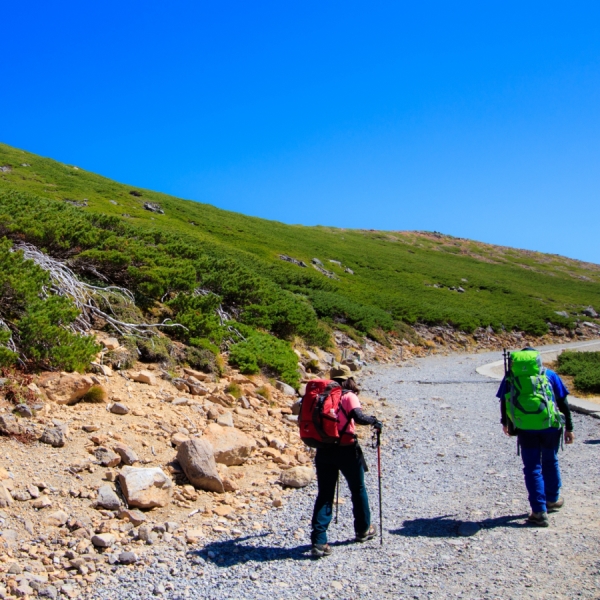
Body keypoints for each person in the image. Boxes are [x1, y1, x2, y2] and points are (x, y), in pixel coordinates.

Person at [497, 347, 575, 527]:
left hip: (525, 427)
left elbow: (504, 400)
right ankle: (552, 499)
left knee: (532, 467)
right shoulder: (550, 375)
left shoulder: (511, 378)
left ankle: (538, 511)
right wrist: (569, 428)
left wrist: (506, 423)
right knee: (550, 460)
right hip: (550, 426)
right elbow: (563, 402)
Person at [310, 365, 383, 557]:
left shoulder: (321, 396)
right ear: (348, 378)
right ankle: (363, 529)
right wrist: (374, 421)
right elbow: (358, 417)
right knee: (358, 489)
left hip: (324, 449)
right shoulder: (348, 396)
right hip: (347, 449)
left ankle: (319, 541)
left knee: (325, 494)